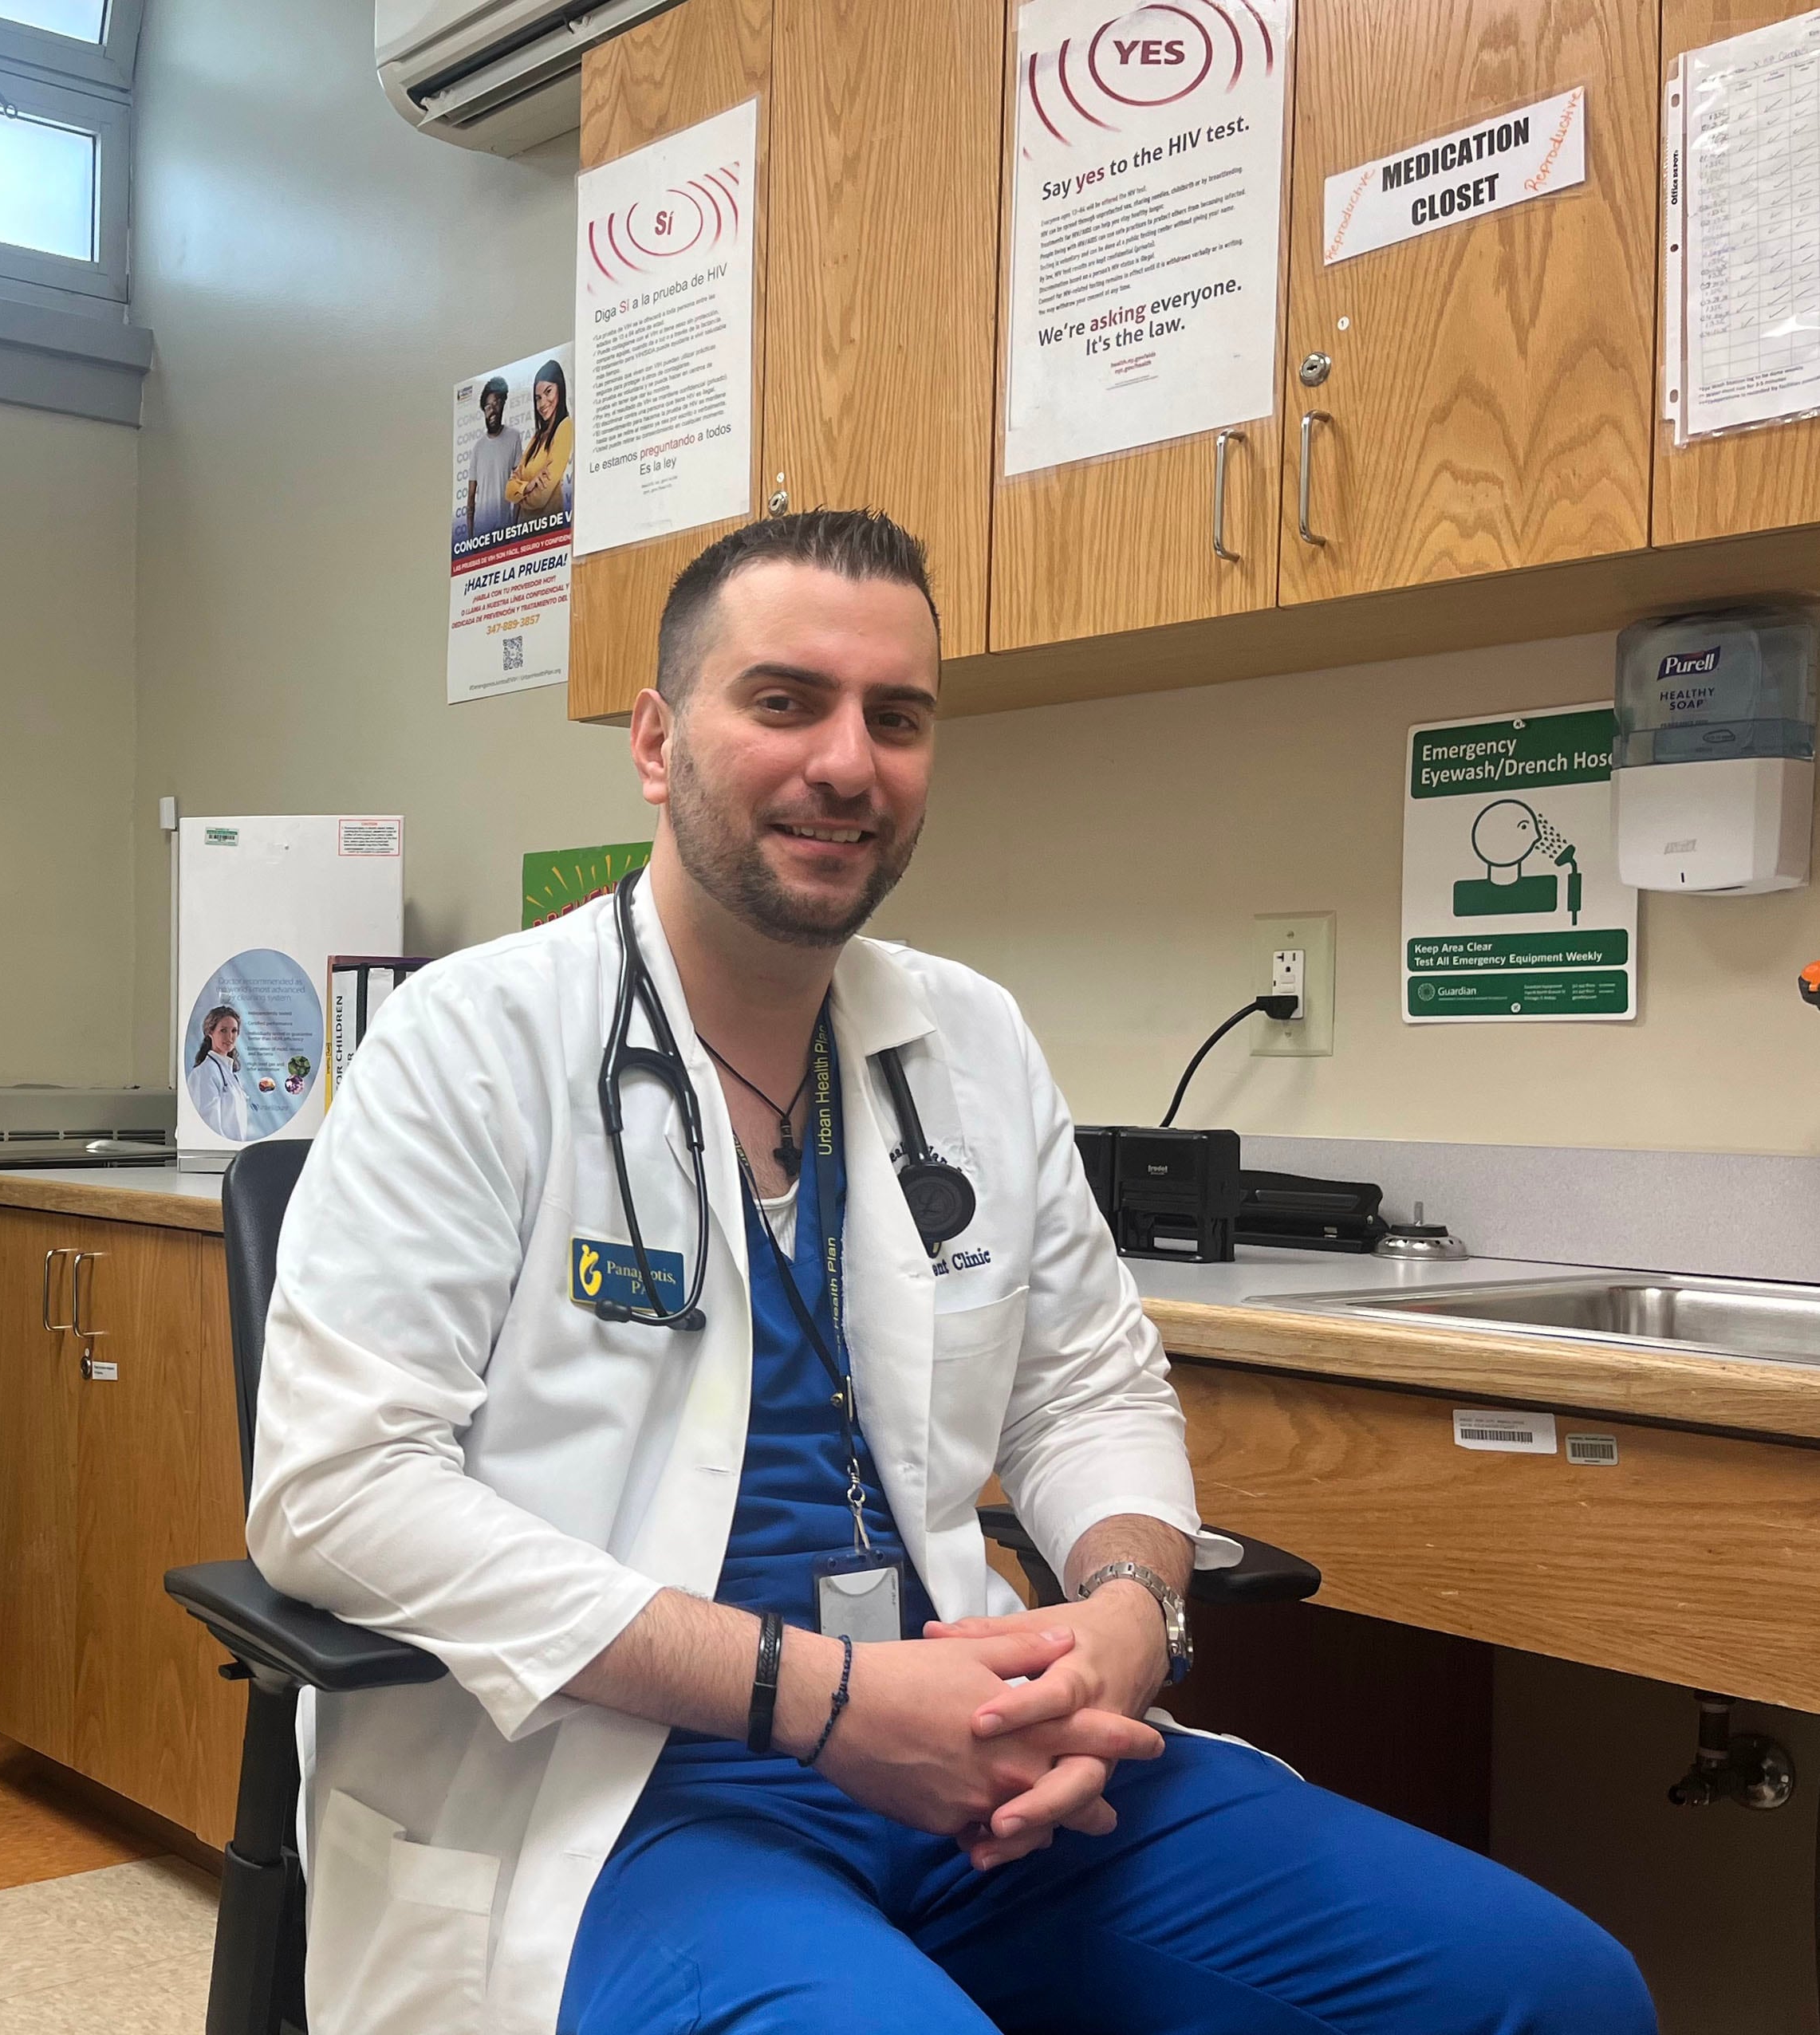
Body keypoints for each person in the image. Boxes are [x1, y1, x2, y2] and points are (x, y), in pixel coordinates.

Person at [247, 510, 1653, 2035]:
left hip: (982, 1764)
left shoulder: (965, 1039)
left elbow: (1088, 1386)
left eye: (895, 717)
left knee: (1552, 1992)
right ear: (655, 742)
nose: (846, 762)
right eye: (783, 700)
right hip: (621, 1799)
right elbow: (336, 1494)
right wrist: (821, 1700)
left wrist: (1127, 1609)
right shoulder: (472, 1043)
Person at [503, 358, 572, 525]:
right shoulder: (538, 437)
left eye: (548, 392)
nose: (542, 403)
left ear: (560, 389)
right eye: (538, 398)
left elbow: (542, 497)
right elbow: (508, 490)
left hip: (549, 530)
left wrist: (520, 497)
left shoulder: (565, 428)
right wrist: (528, 487)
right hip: (526, 532)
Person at [465, 375, 523, 540]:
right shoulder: (478, 448)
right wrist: (470, 539)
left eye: (497, 403)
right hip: (481, 533)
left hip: (504, 531)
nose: (493, 410)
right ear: (484, 410)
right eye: (488, 407)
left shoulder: (514, 437)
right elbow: (471, 495)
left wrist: (514, 526)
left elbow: (520, 482)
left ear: (503, 404)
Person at [188, 1003, 250, 1141]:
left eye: (234, 1031)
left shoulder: (230, 1073)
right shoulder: (204, 1073)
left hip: (234, 1151)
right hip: (219, 1153)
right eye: (223, 1030)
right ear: (210, 1033)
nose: (229, 1036)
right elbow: (209, 1124)